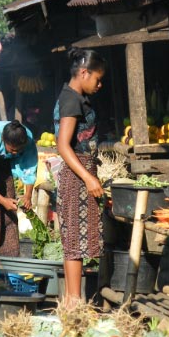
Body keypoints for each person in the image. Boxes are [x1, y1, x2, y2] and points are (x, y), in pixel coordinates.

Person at [54, 47, 106, 304]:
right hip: (77, 176)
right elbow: (63, 145)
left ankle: (74, 302)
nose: (100, 84)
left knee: (78, 240)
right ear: (83, 73)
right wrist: (88, 177)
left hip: (80, 172)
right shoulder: (71, 99)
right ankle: (74, 303)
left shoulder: (75, 97)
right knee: (74, 240)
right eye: (97, 78)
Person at [0, 120, 38, 281]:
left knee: (8, 218)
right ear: (3, 140)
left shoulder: (28, 139)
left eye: (18, 151)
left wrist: (27, 196)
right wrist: (1, 200)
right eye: (12, 150)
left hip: (4, 170)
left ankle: (9, 267)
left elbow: (30, 166)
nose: (15, 153)